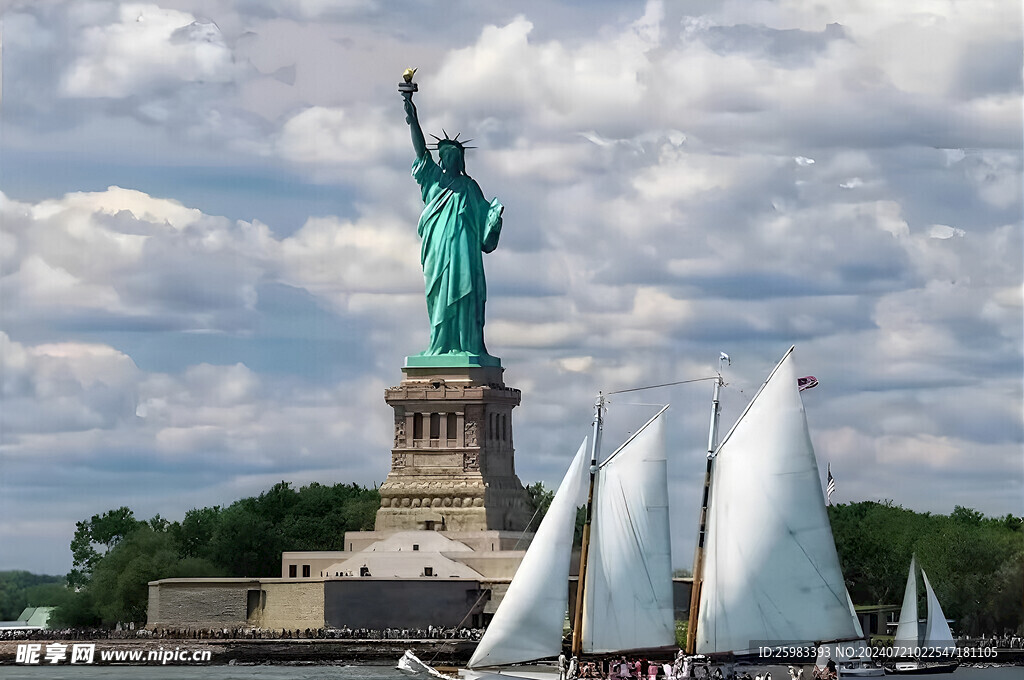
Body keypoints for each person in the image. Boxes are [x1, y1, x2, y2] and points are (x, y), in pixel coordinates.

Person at [402, 89, 504, 359]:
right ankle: (440, 343)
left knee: (464, 294)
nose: (450, 161)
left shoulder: (469, 187)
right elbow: (420, 150)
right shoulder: (433, 180)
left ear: (460, 160)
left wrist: (493, 218)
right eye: (445, 157)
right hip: (437, 250)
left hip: (462, 253)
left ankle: (464, 344)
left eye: (455, 157)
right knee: (437, 294)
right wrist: (413, 120)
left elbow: (485, 223)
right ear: (441, 159)